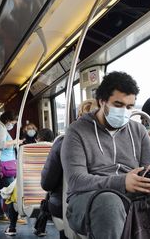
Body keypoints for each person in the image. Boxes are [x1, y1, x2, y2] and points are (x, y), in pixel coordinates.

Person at [61, 71, 150, 239]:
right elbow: (76, 181)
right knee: (109, 203)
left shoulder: (138, 130)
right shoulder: (76, 132)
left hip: (137, 195)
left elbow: (149, 168)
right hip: (90, 197)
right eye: (118, 105)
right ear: (101, 101)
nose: (124, 111)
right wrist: (123, 182)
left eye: (130, 106)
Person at [40, 99, 98, 239]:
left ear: (79, 117)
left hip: (67, 204)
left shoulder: (63, 142)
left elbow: (47, 182)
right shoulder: (115, 142)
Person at [0, 110, 23, 235]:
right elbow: (1, 144)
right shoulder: (1, 128)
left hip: (4, 163)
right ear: (8, 120)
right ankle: (12, 216)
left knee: (1, 189)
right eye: (13, 122)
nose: (13, 125)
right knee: (9, 191)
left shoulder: (1, 126)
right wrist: (16, 142)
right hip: (5, 165)